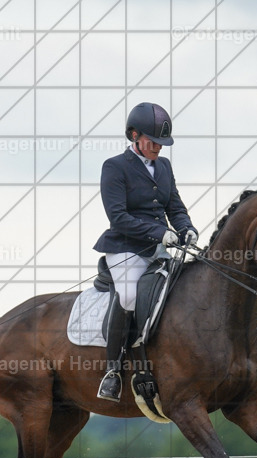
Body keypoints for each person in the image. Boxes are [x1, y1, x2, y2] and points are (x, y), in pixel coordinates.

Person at [94, 102, 198, 401]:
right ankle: (112, 372)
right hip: (125, 248)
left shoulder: (164, 167)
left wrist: (186, 227)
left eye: (162, 144)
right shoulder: (114, 167)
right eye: (153, 142)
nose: (158, 149)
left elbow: (174, 207)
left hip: (160, 247)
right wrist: (159, 232)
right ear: (134, 135)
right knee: (128, 296)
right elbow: (118, 217)